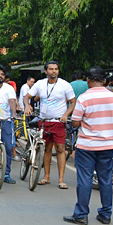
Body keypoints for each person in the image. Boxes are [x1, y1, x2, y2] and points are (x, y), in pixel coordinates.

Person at [64, 66, 113, 225]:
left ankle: (81, 215)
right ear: (105, 81)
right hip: (107, 145)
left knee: (85, 179)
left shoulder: (84, 98)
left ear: (88, 80)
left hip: (87, 145)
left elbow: (76, 122)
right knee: (105, 180)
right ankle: (106, 214)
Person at [24, 61, 76, 189]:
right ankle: (46, 176)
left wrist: (66, 115)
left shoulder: (65, 85)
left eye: (56, 69)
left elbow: (73, 102)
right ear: (46, 71)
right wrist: (27, 105)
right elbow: (27, 96)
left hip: (58, 121)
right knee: (46, 148)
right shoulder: (40, 84)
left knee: (60, 149)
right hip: (44, 121)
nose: (54, 71)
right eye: (51, 69)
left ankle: (61, 179)